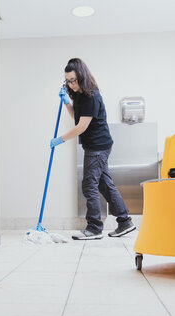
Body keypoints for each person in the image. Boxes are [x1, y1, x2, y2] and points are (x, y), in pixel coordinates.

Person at [50, 58, 136, 240]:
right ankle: (125, 221)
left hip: (98, 146)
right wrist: (67, 102)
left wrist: (60, 139)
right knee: (104, 185)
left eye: (73, 80)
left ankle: (95, 228)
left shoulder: (91, 96)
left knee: (89, 185)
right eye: (67, 81)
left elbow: (81, 127)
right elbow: (77, 117)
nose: (70, 84)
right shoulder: (80, 96)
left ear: (82, 76)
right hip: (94, 145)